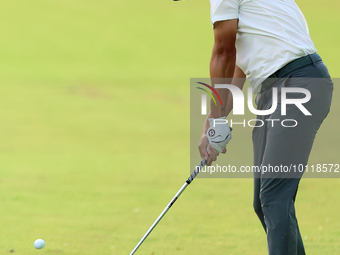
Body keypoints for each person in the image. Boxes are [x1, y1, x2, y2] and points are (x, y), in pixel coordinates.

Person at [198, 0, 333, 254]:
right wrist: (213, 123)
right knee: (265, 202)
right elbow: (239, 61)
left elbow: (223, 51)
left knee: (273, 196)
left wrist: (215, 122)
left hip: (297, 84)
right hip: (279, 89)